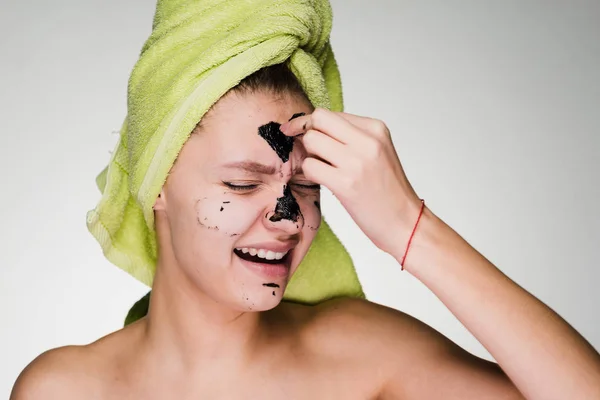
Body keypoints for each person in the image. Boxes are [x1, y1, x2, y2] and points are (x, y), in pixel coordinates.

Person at [11, 3, 600, 399]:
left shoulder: (366, 356)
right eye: (242, 184)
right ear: (156, 181)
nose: (287, 218)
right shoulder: (64, 389)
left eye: (305, 186)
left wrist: (411, 228)